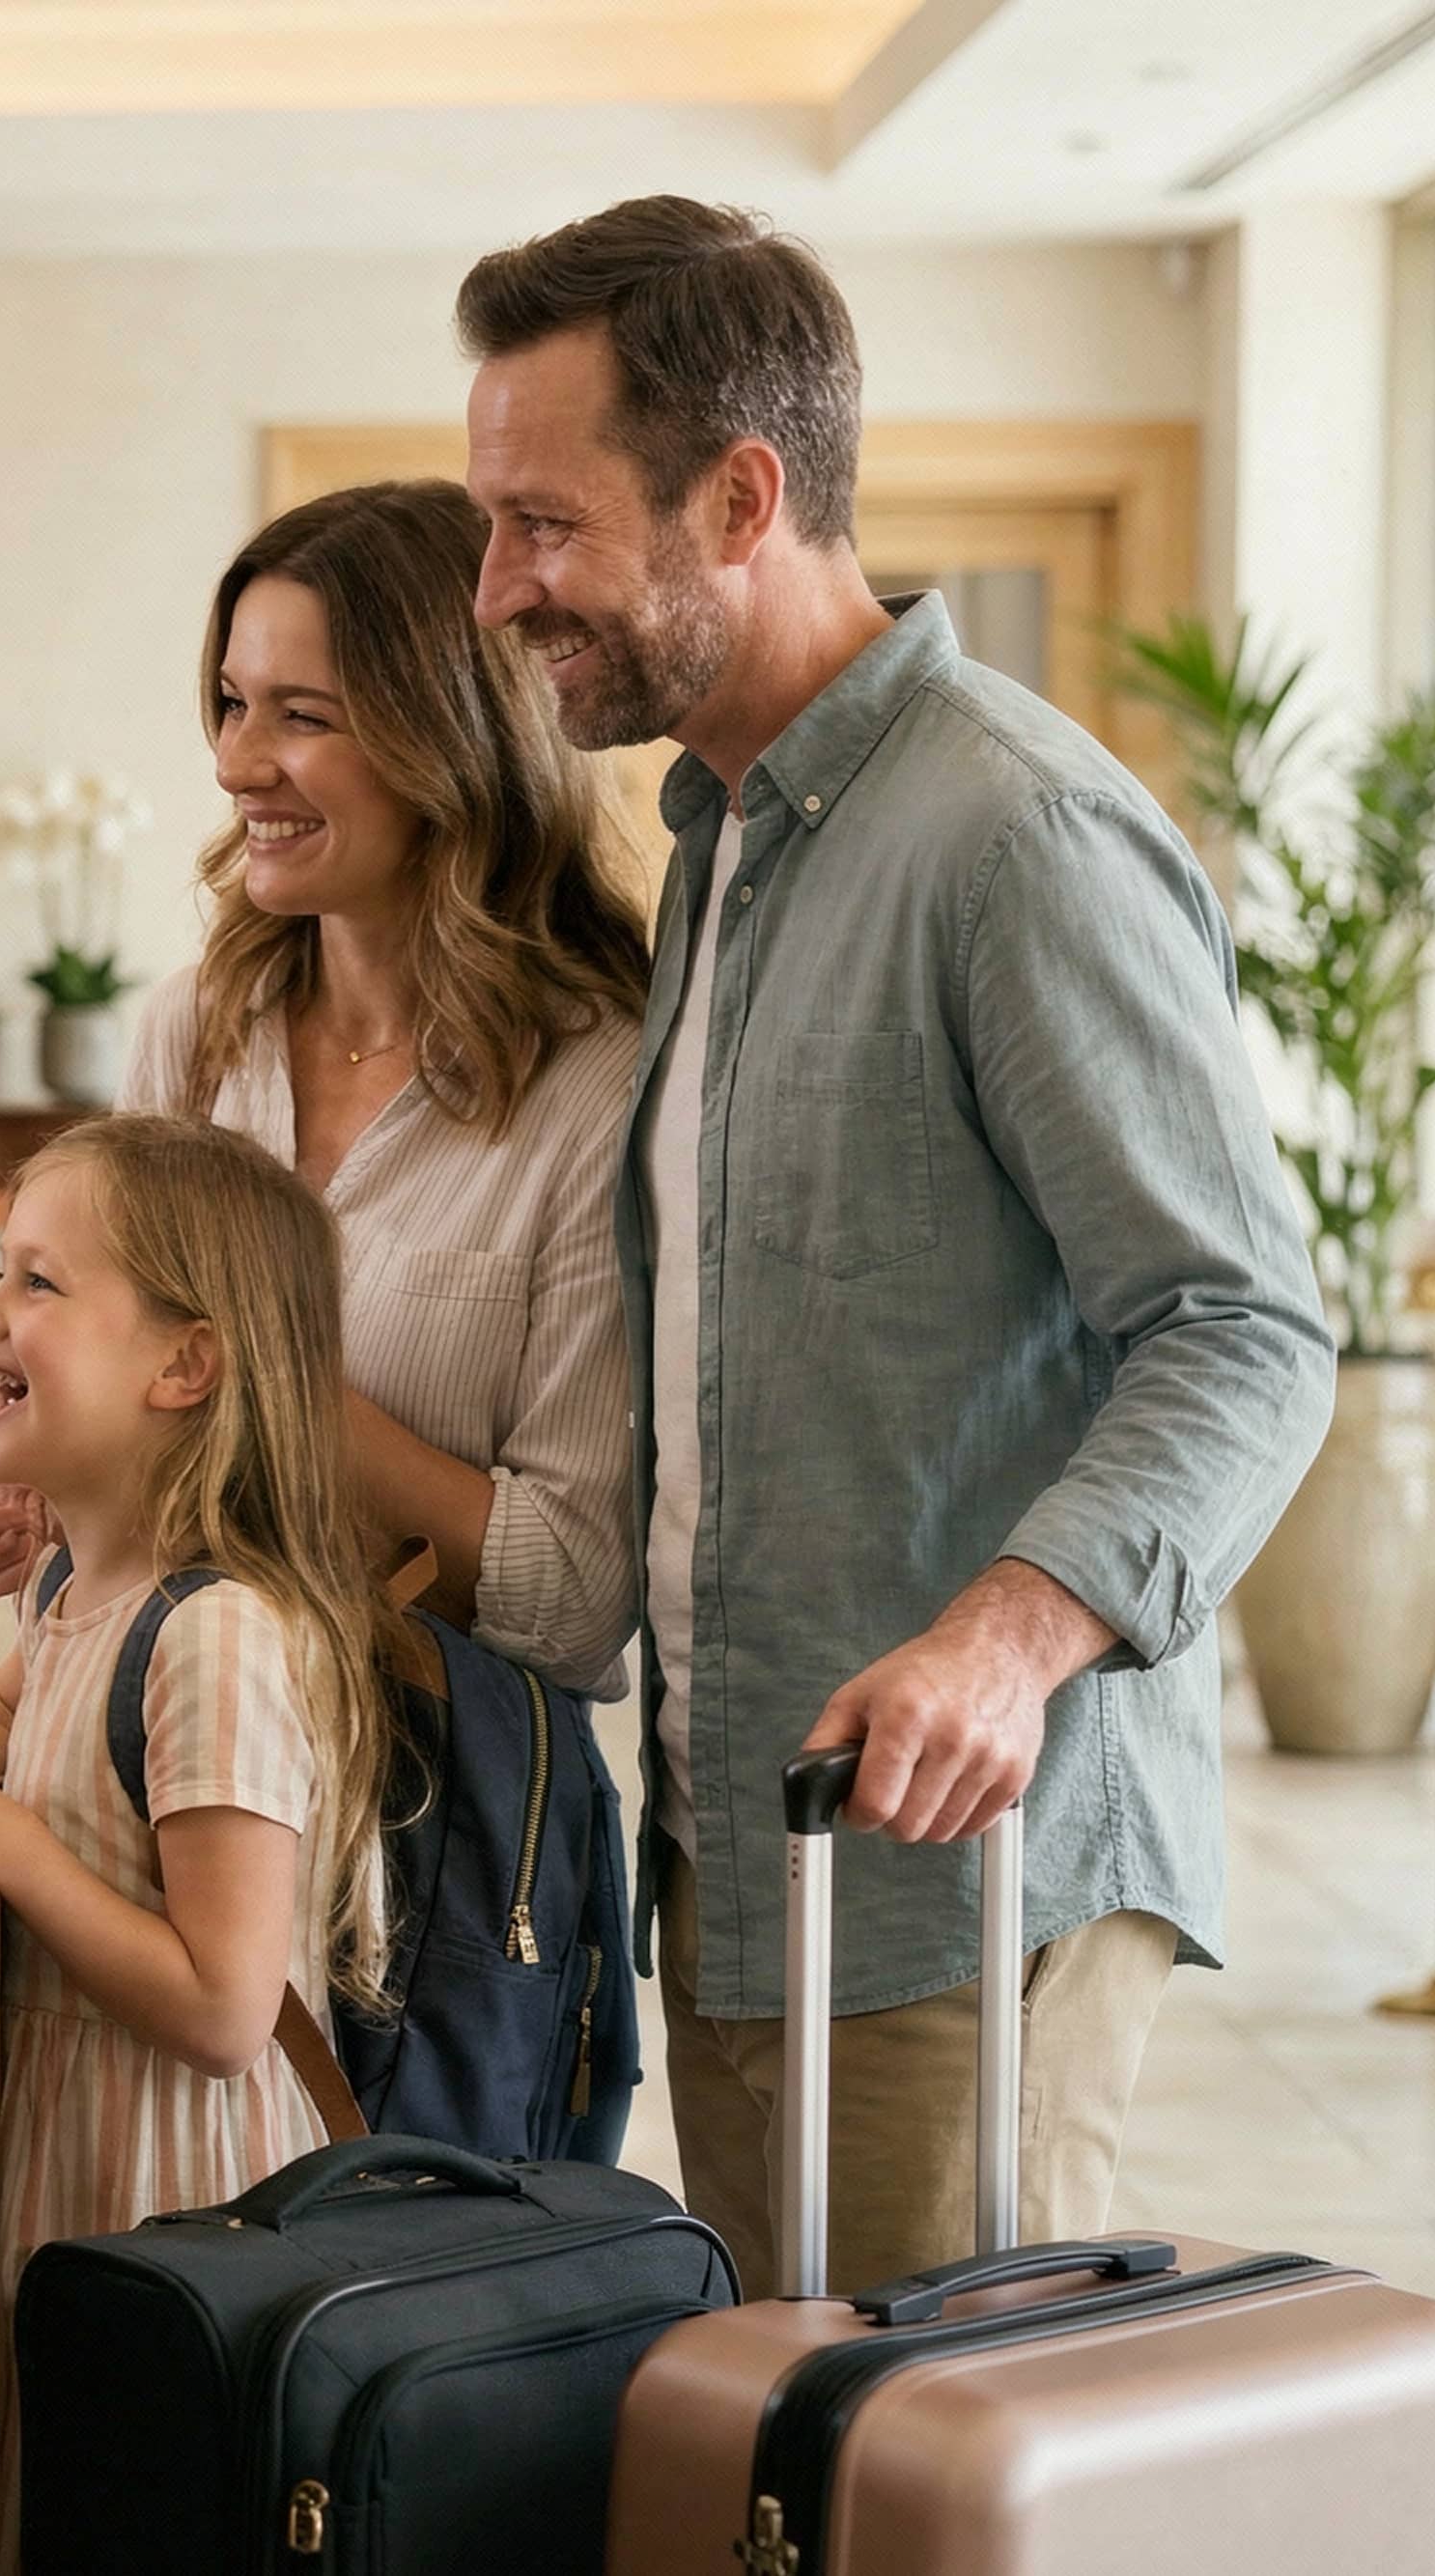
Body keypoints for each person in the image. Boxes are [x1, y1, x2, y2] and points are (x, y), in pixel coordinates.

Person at [459, 198, 1332, 2291]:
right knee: (796, 2462)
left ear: (738, 498)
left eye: (540, 525)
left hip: (965, 1883)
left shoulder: (1008, 831)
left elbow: (1242, 1324)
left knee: (934, 2472)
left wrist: (1006, 1630)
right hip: (756, 1862)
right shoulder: (719, 844)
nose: (498, 592)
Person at [0, 480, 651, 1701]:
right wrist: (28, 1449)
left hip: (438, 1831)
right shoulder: (192, 1035)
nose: (233, 763)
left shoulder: (599, 1087)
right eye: (229, 703)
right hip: (153, 1764)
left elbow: (578, 1595)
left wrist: (251, 1374)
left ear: (450, 738)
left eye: (301, 716)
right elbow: (126, 1422)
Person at [0, 1115, 396, 2575]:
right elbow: (34, 1677)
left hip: (171, 2196)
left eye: (39, 1283)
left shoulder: (216, 1637)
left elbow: (226, 2011)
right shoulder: (73, 1579)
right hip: (70, 2162)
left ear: (184, 1366)